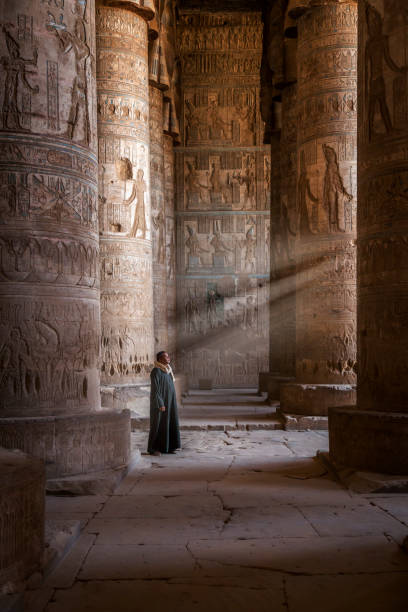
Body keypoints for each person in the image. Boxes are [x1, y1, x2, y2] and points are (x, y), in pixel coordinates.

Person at [147, 351, 181, 456]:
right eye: (166, 357)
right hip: (160, 404)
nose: (168, 358)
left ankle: (167, 447)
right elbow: (155, 390)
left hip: (169, 402)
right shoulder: (156, 371)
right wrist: (160, 403)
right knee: (157, 425)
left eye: (168, 356)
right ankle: (153, 448)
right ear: (160, 359)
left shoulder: (168, 371)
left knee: (169, 423)